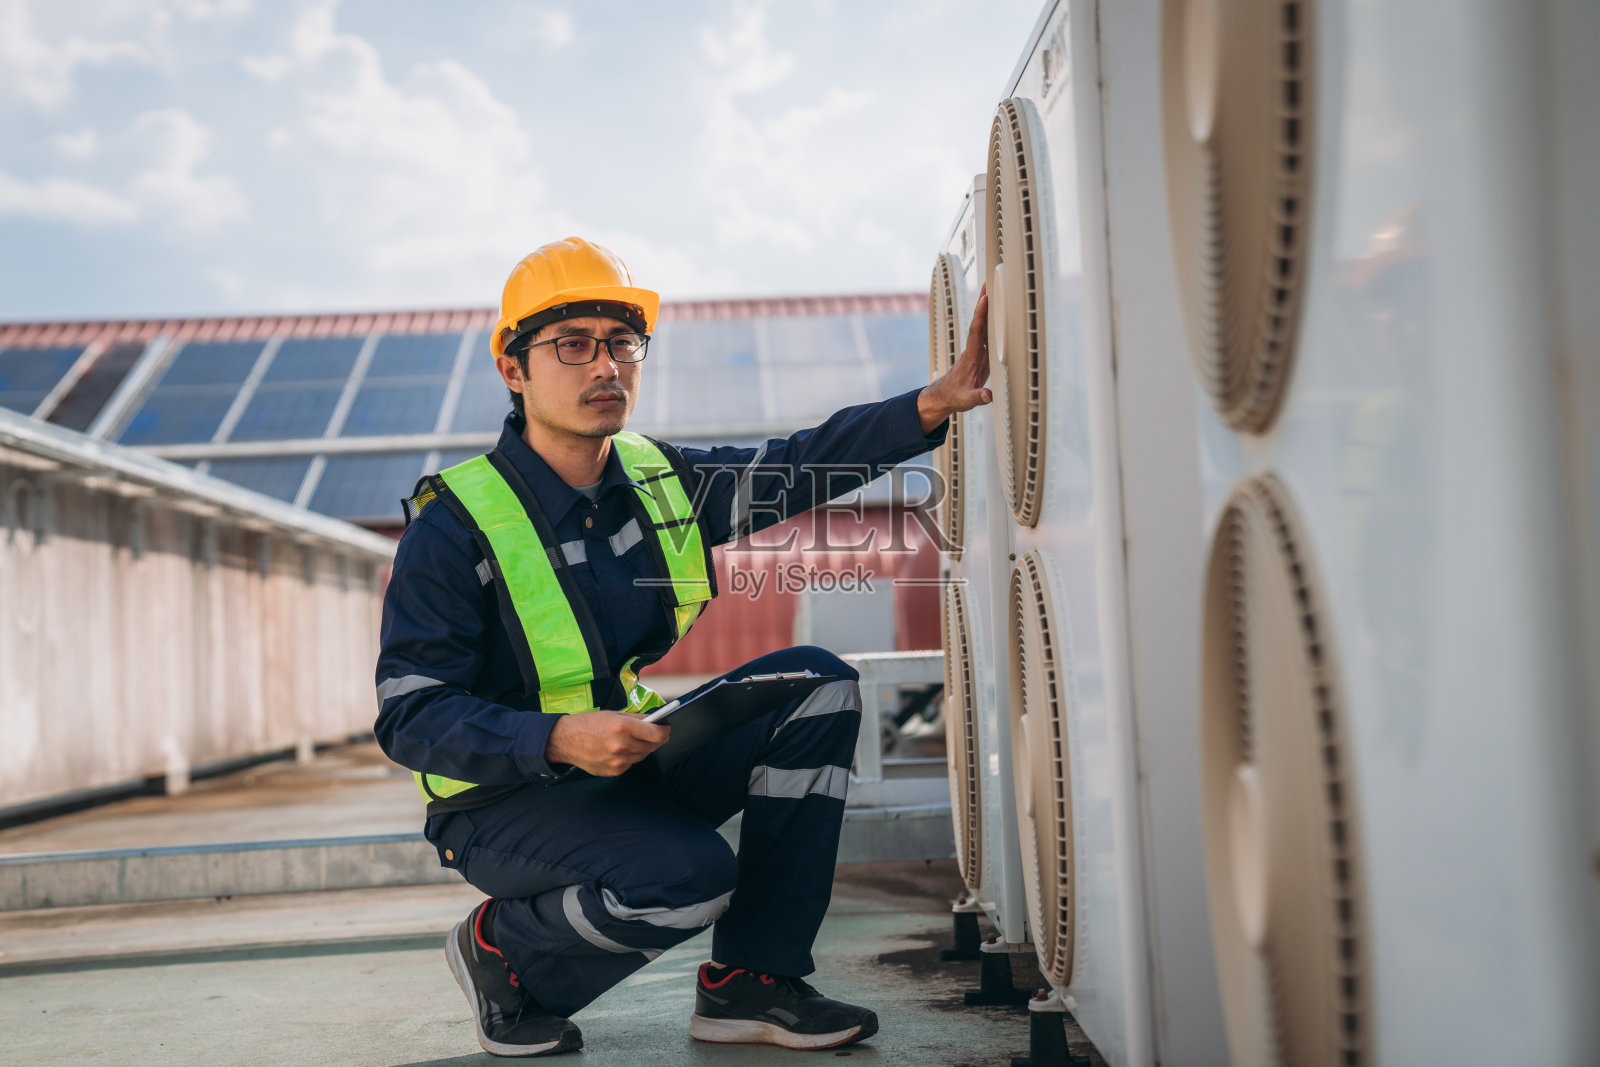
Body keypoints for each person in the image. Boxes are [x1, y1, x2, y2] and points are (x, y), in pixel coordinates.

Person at [375, 236, 991, 1057]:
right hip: (498, 802)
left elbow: (795, 464)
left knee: (817, 682)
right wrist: (556, 737)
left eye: (622, 343)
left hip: (623, 761)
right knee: (687, 877)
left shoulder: (658, 479)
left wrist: (929, 406)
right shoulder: (454, 526)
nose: (606, 366)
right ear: (513, 369)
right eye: (573, 344)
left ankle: (753, 980)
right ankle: (504, 956)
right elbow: (411, 715)